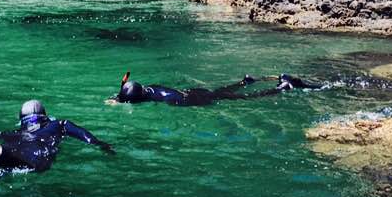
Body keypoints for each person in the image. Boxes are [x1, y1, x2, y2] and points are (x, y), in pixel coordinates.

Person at [113, 71, 317, 106]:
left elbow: (131, 99)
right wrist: (119, 96)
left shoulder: (150, 97)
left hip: (190, 100)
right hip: (190, 92)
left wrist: (120, 99)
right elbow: (129, 94)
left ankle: (283, 88)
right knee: (220, 92)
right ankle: (245, 82)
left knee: (240, 99)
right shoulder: (147, 89)